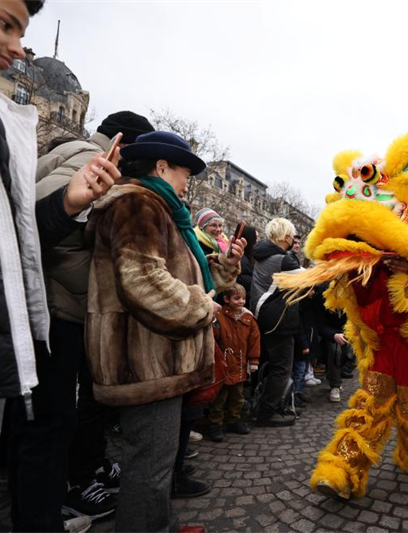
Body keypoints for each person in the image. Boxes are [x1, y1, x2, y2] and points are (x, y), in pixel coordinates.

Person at [0, 2, 119, 531]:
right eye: (6, 23)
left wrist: (68, 204)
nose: (19, 48)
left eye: (23, 32)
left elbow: (16, 240)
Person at [85, 131, 244, 532]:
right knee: (149, 464)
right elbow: (143, 281)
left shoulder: (164, 209)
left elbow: (187, 277)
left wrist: (222, 268)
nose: (188, 181)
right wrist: (202, 308)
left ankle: (164, 524)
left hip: (157, 355)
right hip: (145, 359)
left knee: (158, 458)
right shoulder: (139, 203)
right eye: (184, 171)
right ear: (161, 167)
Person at [27, 111, 154, 523]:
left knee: (66, 412)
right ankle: (57, 498)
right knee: (56, 415)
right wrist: (96, 280)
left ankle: (75, 480)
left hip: (64, 303)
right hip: (59, 306)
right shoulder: (87, 156)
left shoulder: (88, 157)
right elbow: (33, 221)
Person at [249, 218, 302, 427]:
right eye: (292, 235)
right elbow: (312, 278)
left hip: (263, 316)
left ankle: (264, 405)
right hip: (277, 320)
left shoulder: (263, 254)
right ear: (286, 236)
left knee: (271, 365)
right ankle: (266, 413)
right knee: (282, 367)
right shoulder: (282, 259)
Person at [206, 284, 260, 441]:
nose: (241, 301)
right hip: (223, 365)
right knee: (219, 397)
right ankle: (215, 424)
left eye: (243, 298)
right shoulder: (219, 316)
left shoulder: (248, 319)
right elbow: (213, 338)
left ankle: (233, 420)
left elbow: (254, 340)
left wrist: (254, 360)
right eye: (237, 298)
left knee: (237, 396)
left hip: (240, 364)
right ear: (226, 299)